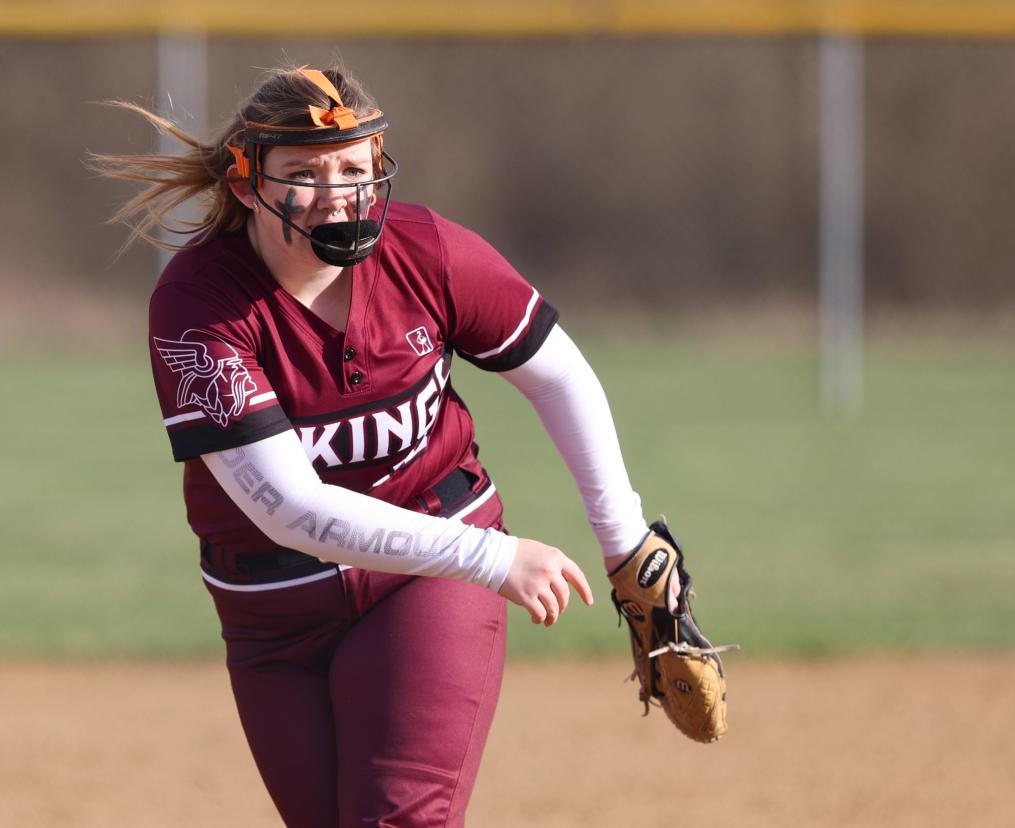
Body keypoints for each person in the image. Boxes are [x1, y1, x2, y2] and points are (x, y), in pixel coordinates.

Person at [91, 63, 665, 827]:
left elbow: (558, 375)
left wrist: (624, 542)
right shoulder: (200, 304)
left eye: (354, 168)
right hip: (274, 614)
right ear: (244, 183)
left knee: (398, 820)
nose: (337, 192)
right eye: (304, 171)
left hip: (429, 574)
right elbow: (292, 510)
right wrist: (499, 559)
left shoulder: (426, 252)